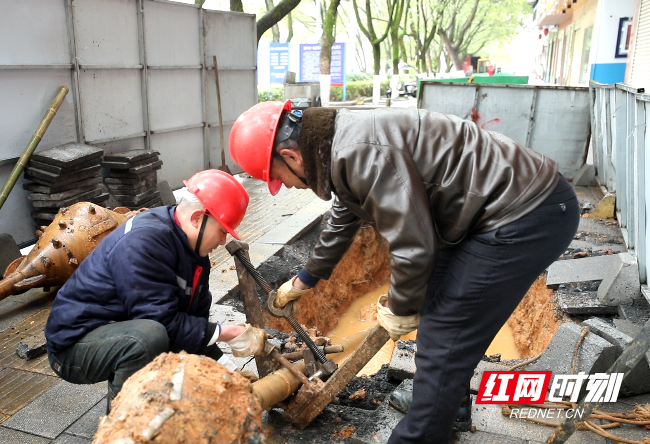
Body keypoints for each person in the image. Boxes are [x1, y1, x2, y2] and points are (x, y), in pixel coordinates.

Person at [228, 102, 578, 443]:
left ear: (291, 157)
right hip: (489, 210)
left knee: (447, 330)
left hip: (525, 213)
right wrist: (304, 281)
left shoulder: (358, 153)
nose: (284, 186)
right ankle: (447, 405)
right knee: (435, 297)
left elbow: (413, 245)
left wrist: (400, 307)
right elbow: (344, 215)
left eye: (277, 178)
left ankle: (421, 434)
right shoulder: (336, 145)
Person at [44, 169, 267, 413]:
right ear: (197, 218)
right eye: (223, 230)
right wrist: (228, 332)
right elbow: (159, 321)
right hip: (74, 346)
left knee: (162, 343)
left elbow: (194, 327)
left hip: (118, 331)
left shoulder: (194, 254)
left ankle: (153, 406)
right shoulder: (144, 241)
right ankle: (125, 428)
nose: (224, 240)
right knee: (148, 338)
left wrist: (230, 372)